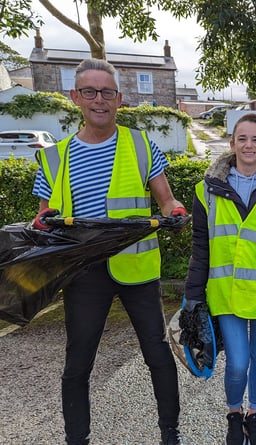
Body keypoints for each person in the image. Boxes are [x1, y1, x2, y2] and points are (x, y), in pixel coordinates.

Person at [31, 58, 185, 445]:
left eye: (107, 92)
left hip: (137, 269)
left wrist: (177, 212)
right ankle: (76, 439)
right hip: (83, 273)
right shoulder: (54, 157)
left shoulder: (140, 143)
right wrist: (43, 221)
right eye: (89, 91)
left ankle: (170, 433)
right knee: (78, 363)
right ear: (75, 97)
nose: (99, 99)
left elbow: (166, 200)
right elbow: (43, 216)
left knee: (157, 354)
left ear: (119, 99)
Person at [184, 113, 256, 445]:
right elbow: (200, 247)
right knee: (238, 361)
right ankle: (234, 413)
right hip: (226, 290)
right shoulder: (207, 190)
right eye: (242, 139)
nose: (249, 145)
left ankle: (254, 414)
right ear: (232, 143)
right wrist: (192, 294)